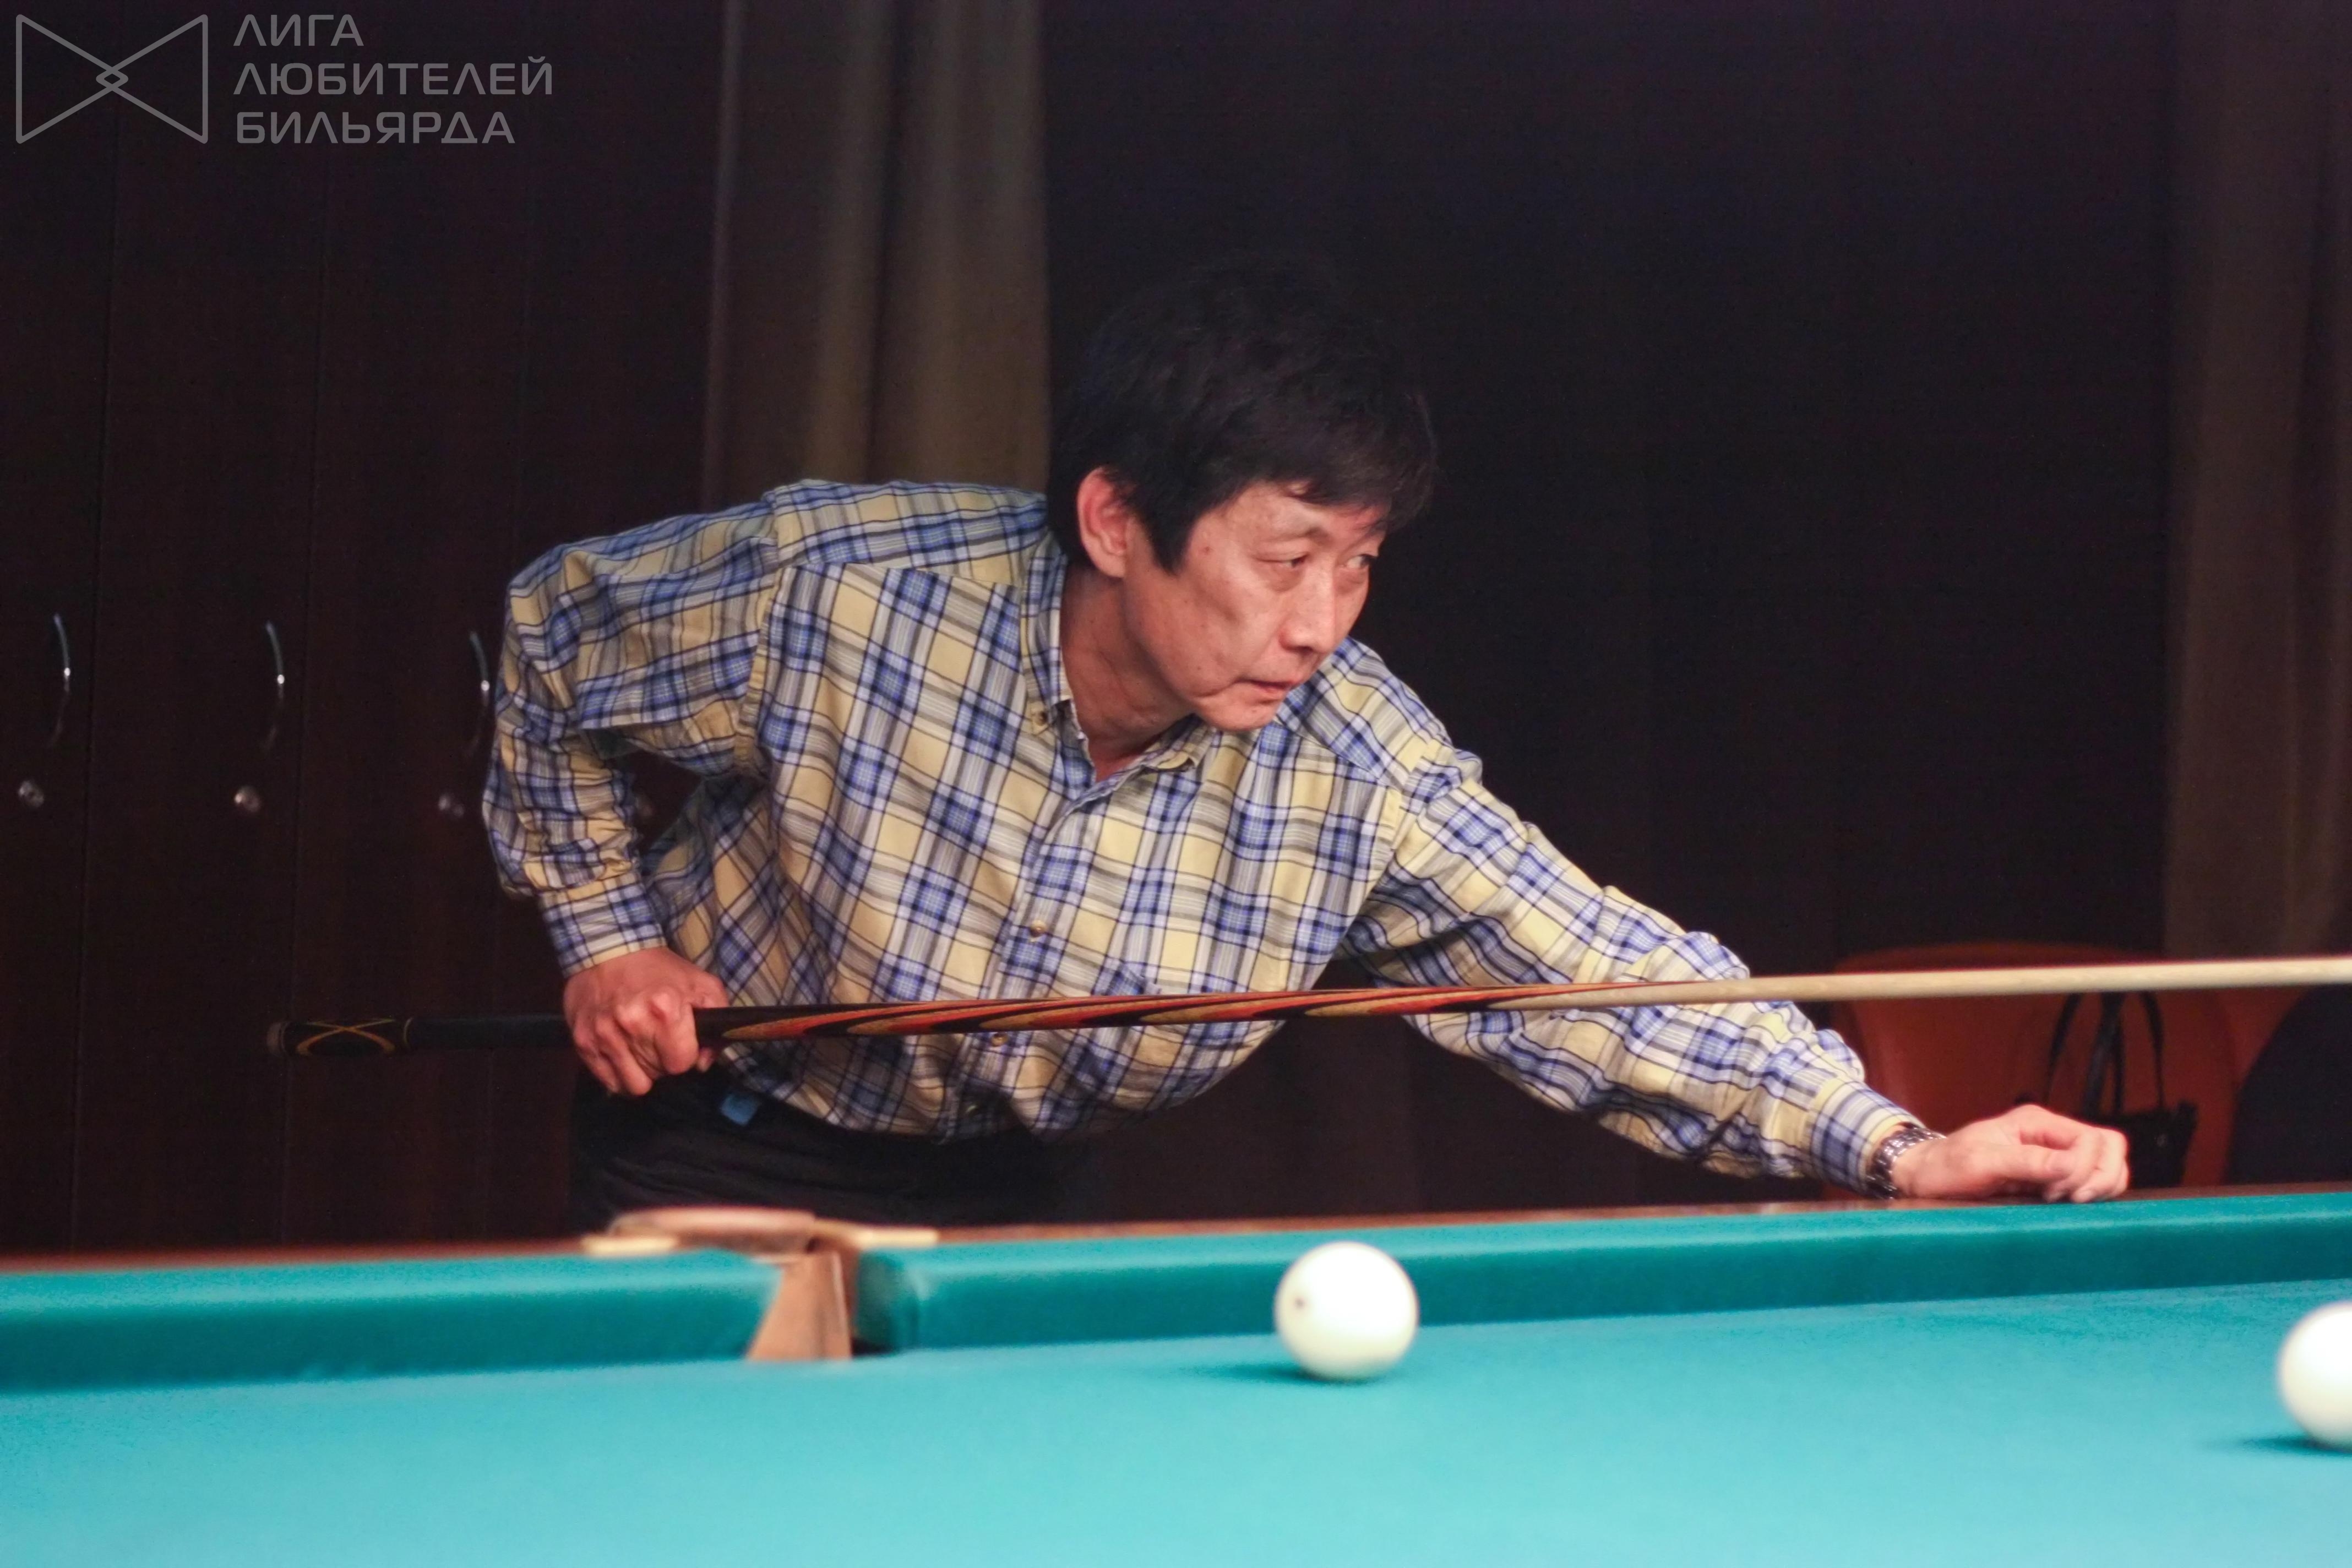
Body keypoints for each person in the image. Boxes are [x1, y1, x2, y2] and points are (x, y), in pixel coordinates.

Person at [486, 255, 2131, 1227]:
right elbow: (554, 631)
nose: (1322, 623)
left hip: (1011, 1192)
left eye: (1359, 565)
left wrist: (1899, 1148)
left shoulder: (1356, 762)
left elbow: (1597, 975)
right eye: (1285, 561)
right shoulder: (839, 592)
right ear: (1116, 520)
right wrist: (608, 934)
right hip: (724, 1139)